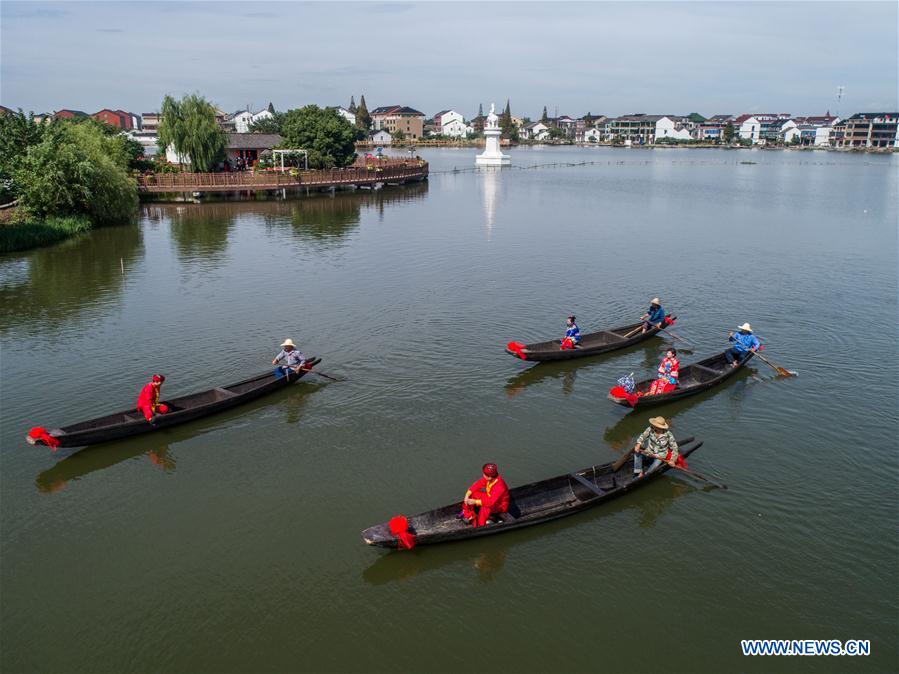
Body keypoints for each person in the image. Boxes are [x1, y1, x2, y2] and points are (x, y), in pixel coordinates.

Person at [461, 463, 510, 527]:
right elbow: (478, 484)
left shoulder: (500, 486)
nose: (483, 475)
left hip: (500, 505)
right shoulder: (490, 478)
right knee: (473, 494)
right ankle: (469, 515)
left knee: (485, 507)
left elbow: (490, 502)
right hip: (490, 498)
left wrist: (475, 501)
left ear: (489, 477)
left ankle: (481, 525)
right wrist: (467, 494)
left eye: (484, 474)